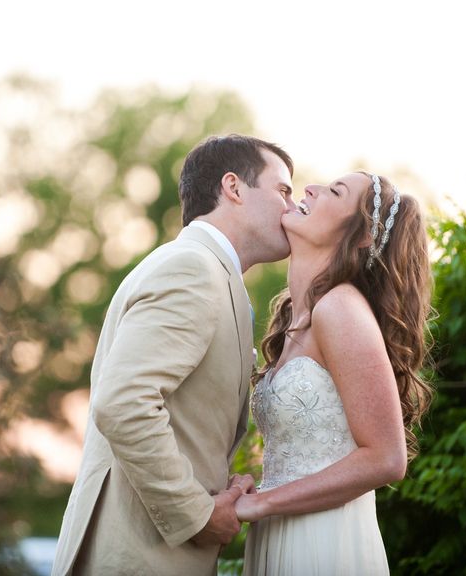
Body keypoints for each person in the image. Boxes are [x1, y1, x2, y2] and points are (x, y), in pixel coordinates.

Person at [52, 134, 297, 576]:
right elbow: (124, 403)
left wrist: (222, 486)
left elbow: (187, 421)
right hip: (136, 555)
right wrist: (197, 515)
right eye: (283, 190)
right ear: (234, 187)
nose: (292, 207)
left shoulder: (214, 277)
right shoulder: (193, 269)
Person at [236, 171, 434, 574]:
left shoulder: (340, 308)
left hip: (323, 542)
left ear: (362, 235)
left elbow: (386, 458)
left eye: (334, 191)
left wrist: (263, 503)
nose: (310, 188)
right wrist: (254, 488)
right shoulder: (296, 316)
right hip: (279, 532)